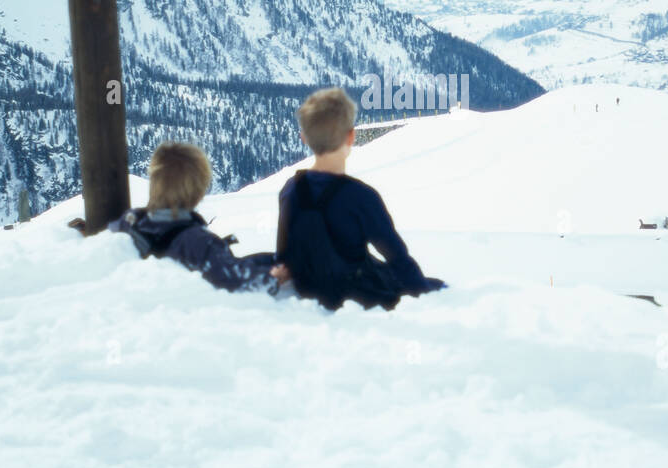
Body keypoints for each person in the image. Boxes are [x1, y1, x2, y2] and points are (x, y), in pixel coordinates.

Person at [274, 87, 445, 310]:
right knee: (436, 285)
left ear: (304, 138)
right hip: (355, 294)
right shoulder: (362, 196)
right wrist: (424, 292)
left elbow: (284, 254)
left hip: (307, 288)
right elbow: (396, 257)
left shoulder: (290, 189)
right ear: (351, 136)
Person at [108, 142, 277, 292]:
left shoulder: (129, 224)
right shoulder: (200, 243)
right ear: (197, 189)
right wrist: (274, 276)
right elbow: (234, 279)